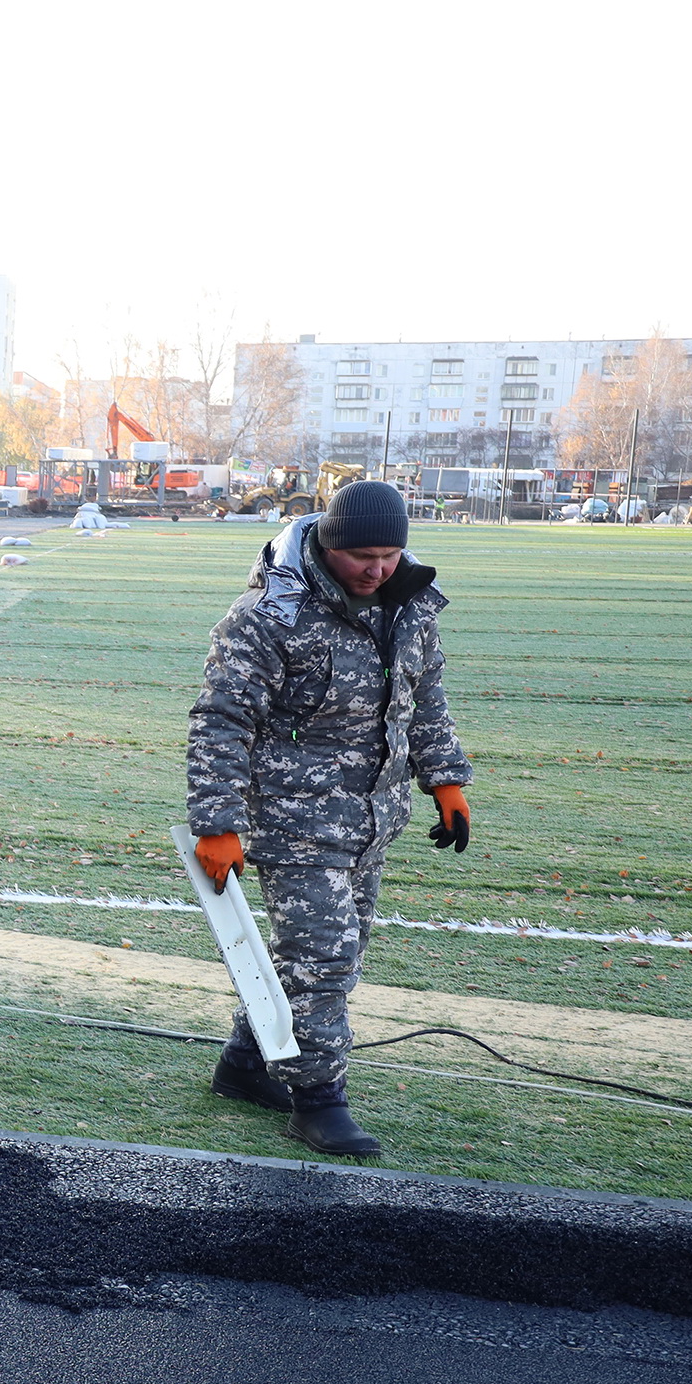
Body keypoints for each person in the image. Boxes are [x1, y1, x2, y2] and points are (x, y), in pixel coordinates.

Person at [186, 480, 472, 1156]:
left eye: (391, 553)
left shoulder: (410, 607)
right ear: (327, 545)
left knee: (332, 954)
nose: (378, 569)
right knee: (325, 961)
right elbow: (221, 721)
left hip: (372, 820)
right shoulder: (268, 616)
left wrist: (447, 779)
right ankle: (318, 1102)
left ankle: (245, 1063)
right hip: (292, 821)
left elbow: (423, 699)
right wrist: (217, 821)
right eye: (362, 556)